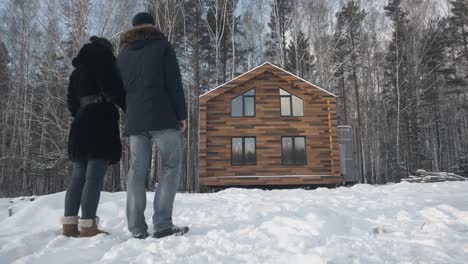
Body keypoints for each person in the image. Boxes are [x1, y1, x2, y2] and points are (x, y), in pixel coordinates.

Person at [117, 12, 188, 239]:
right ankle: (163, 224)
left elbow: (119, 90)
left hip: (136, 119)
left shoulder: (123, 54)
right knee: (170, 165)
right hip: (163, 116)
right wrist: (181, 114)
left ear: (133, 28)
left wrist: (130, 111)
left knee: (136, 171)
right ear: (153, 26)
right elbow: (174, 84)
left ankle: (137, 229)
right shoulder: (162, 47)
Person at [61, 36, 126, 237]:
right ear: (106, 49)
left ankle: (69, 225)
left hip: (80, 124)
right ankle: (88, 226)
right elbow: (113, 90)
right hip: (100, 123)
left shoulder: (77, 72)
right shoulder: (105, 62)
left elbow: (71, 102)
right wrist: (127, 107)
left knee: (78, 176)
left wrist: (82, 113)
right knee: (94, 177)